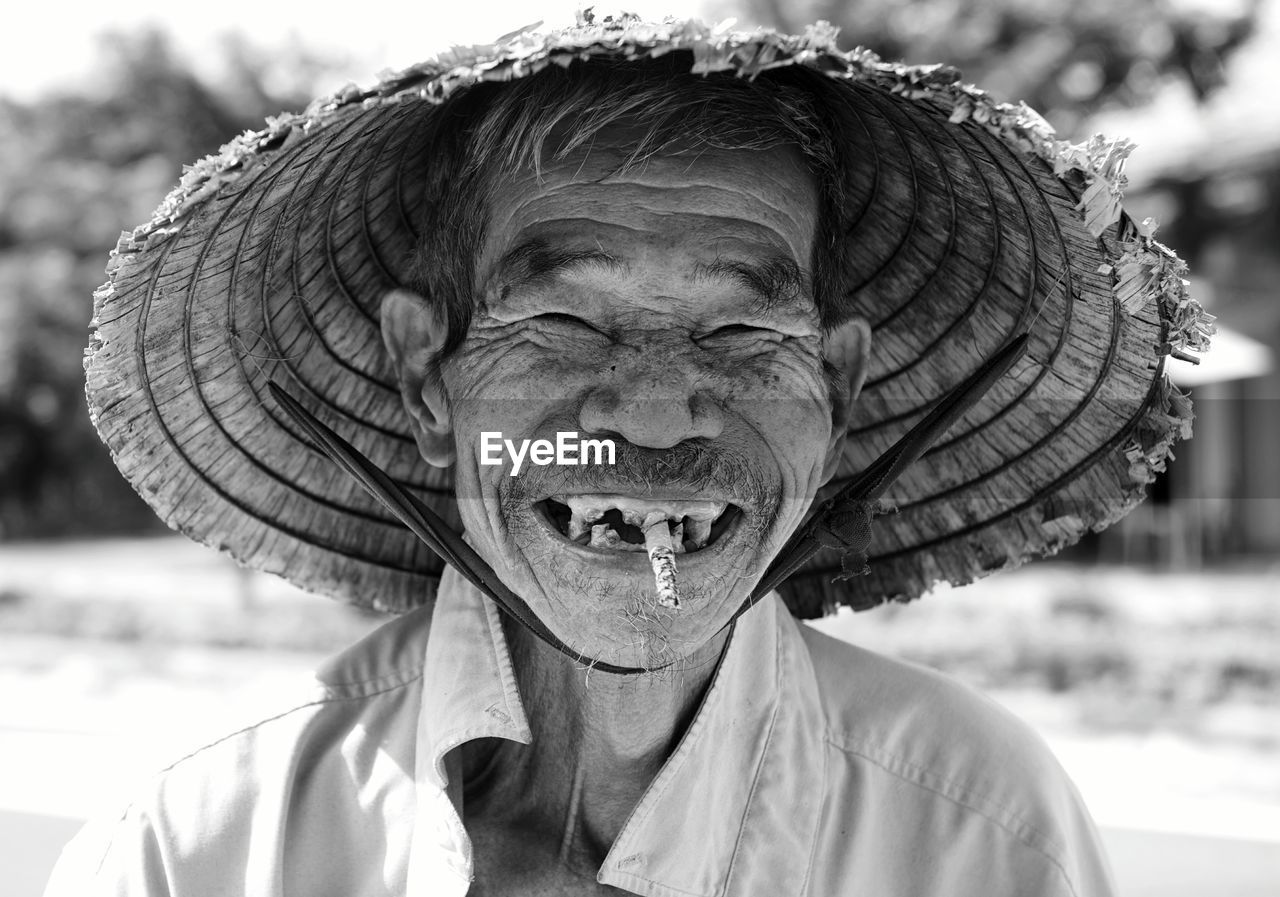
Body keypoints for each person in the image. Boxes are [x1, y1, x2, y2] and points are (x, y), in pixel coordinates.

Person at [49, 14, 1212, 897]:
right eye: (561, 323)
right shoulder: (206, 837)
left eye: (743, 332)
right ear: (425, 381)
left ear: (841, 393)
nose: (658, 420)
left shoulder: (973, 832)